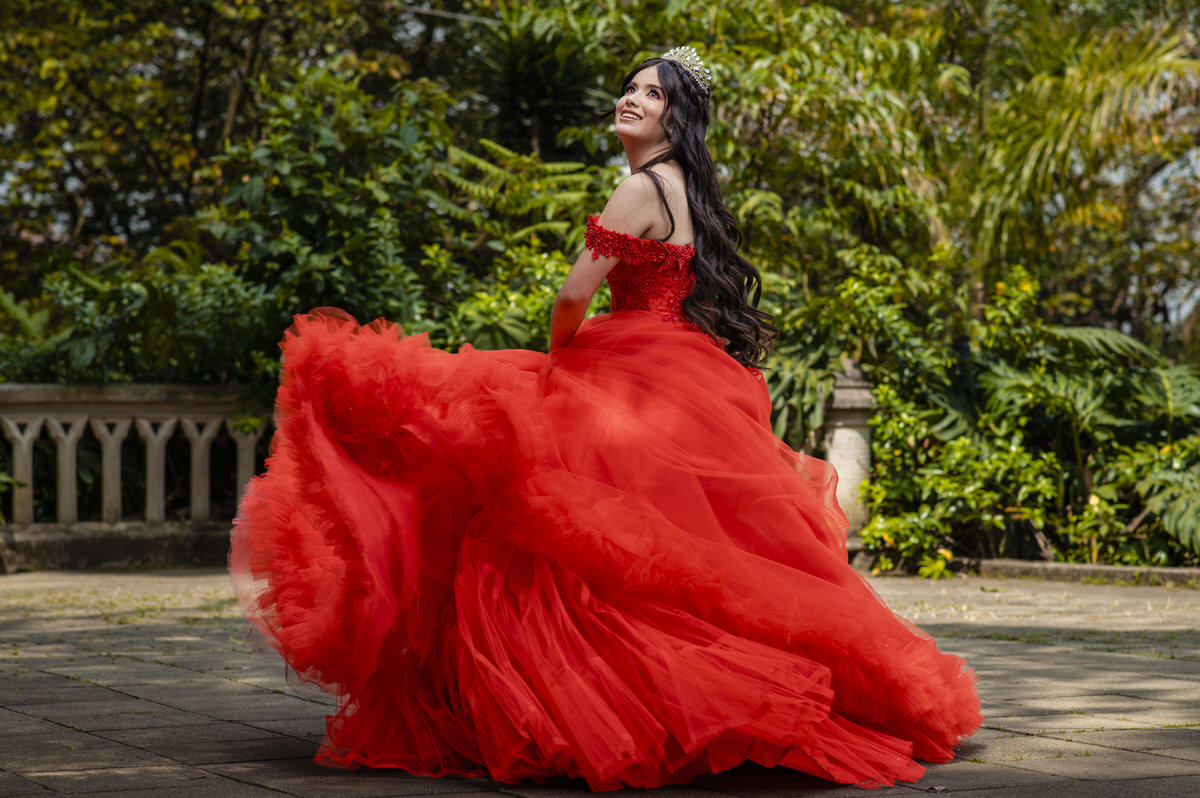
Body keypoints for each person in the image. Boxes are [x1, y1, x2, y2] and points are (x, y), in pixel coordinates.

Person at [229, 46, 982, 791]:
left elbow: (570, 296)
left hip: (632, 370)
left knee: (550, 524)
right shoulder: (684, 186)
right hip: (678, 369)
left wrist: (558, 364)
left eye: (650, 95)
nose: (631, 100)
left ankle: (597, 709)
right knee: (652, 554)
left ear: (675, 116)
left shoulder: (640, 191)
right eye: (629, 89)